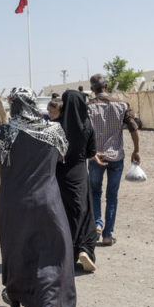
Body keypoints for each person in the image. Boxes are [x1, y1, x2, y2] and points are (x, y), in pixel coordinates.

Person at [0, 88, 74, 307]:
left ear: (14, 105)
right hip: (49, 201)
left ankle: (16, 294)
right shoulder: (54, 130)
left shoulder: (6, 131)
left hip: (14, 203)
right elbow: (62, 157)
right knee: (52, 253)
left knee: (17, 251)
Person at [87, 74, 141, 246]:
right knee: (112, 196)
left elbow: (84, 132)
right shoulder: (122, 104)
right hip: (116, 156)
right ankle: (108, 235)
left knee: (95, 192)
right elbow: (133, 127)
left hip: (96, 156)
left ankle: (97, 223)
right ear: (106, 86)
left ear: (92, 88)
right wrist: (136, 150)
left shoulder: (88, 107)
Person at [56, 90, 103, 272]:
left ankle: (67, 253)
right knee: (84, 211)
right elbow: (91, 152)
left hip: (59, 174)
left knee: (63, 213)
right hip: (79, 173)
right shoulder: (86, 125)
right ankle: (85, 249)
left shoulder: (56, 126)